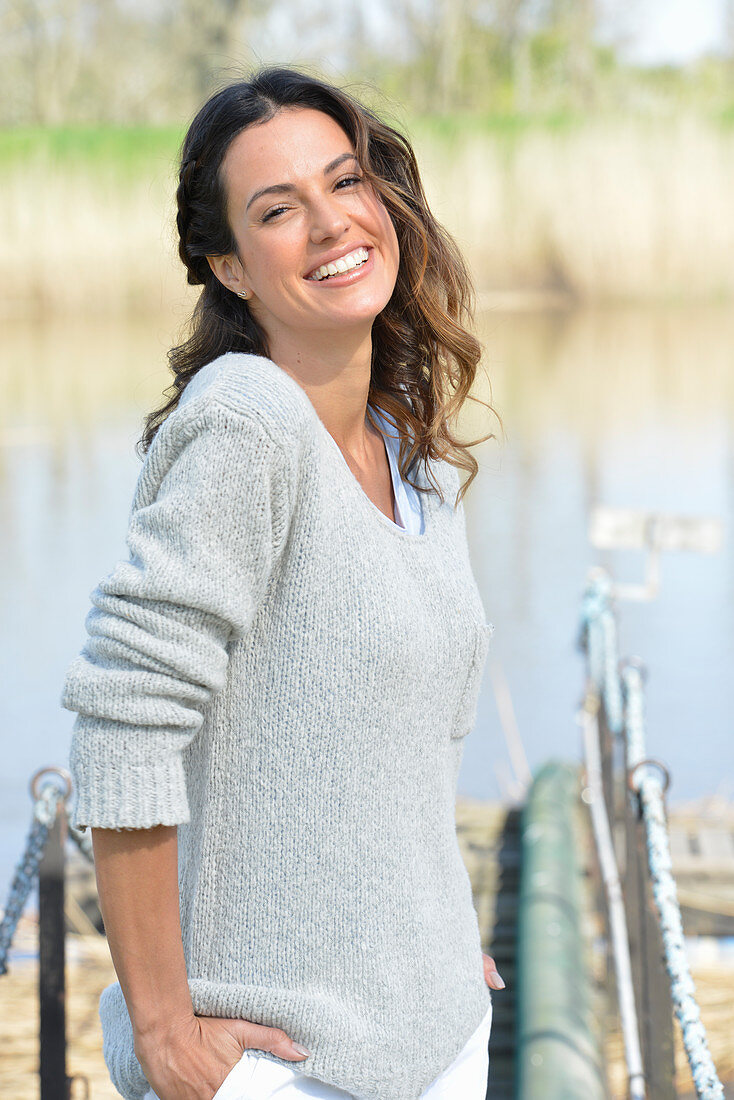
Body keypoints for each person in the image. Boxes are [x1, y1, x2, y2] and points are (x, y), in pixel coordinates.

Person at [60, 66, 504, 1100]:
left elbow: (408, 748)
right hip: (286, 1065)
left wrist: (444, 945)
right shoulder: (247, 421)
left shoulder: (413, 451)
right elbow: (124, 723)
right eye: (276, 209)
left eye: (344, 182)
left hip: (439, 1031)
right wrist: (165, 1027)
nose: (329, 222)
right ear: (229, 264)